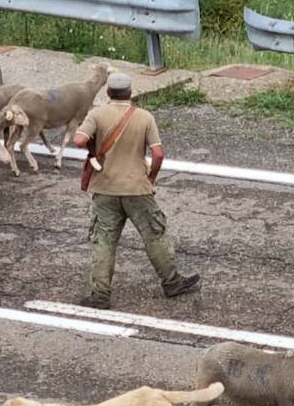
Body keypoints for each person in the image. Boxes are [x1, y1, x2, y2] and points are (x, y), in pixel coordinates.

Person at [72, 71, 201, 309]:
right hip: (137, 188)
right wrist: (151, 176)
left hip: (105, 188)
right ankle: (171, 283)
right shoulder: (144, 117)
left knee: (104, 241)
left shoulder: (97, 114)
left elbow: (79, 140)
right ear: (130, 93)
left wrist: (93, 149)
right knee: (154, 236)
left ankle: (100, 295)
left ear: (108, 92)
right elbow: (158, 153)